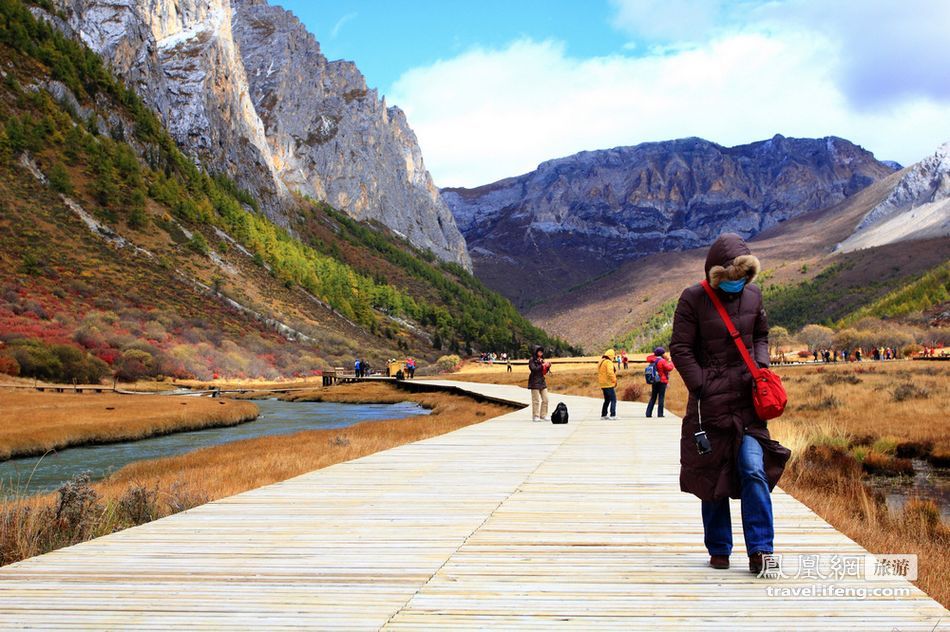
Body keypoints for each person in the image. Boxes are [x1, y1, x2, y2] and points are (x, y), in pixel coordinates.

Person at [670, 233, 790, 575]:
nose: (737, 285)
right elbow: (680, 348)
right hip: (708, 406)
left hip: (747, 402)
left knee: (753, 468)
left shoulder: (753, 295)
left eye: (743, 278)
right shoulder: (693, 298)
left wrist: (761, 366)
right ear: (716, 274)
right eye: (731, 279)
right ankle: (719, 547)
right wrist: (701, 384)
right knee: (713, 475)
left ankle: (761, 550)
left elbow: (762, 335)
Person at [645, 346, 675, 418]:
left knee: (653, 397)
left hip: (655, 381)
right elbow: (669, 368)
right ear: (661, 354)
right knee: (661, 397)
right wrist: (671, 362)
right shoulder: (662, 361)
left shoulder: (653, 360)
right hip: (662, 381)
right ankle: (660, 414)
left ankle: (648, 413)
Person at [528, 345, 550, 422]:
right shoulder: (532, 360)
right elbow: (533, 369)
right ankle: (535, 416)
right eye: (539, 351)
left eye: (542, 351)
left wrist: (547, 367)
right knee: (536, 400)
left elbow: (544, 372)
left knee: (546, 399)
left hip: (542, 381)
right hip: (534, 382)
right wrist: (542, 366)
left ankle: (543, 415)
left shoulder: (542, 360)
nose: (541, 353)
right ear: (536, 352)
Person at [597, 349, 618, 419]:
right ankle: (613, 415)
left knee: (607, 400)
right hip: (608, 384)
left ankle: (604, 414)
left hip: (603, 384)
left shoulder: (601, 361)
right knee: (613, 399)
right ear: (611, 356)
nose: (614, 358)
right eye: (613, 356)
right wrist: (614, 380)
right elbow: (610, 372)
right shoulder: (608, 362)